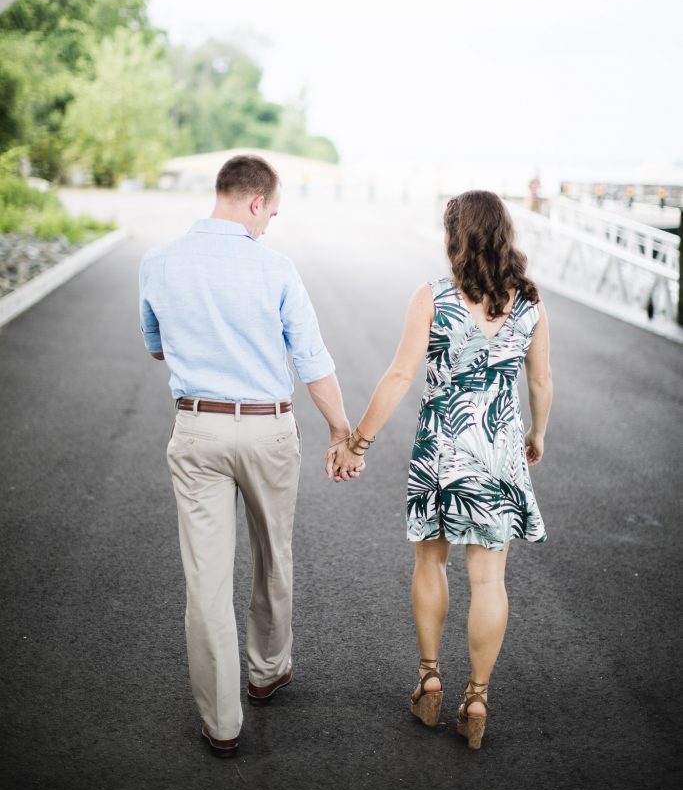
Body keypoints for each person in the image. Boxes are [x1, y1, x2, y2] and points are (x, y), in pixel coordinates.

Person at [139, 155, 359, 758]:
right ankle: (265, 672)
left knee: (205, 581)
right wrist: (343, 432)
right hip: (267, 431)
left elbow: (157, 346)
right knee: (273, 554)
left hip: (197, 430)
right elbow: (313, 365)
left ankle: (221, 723)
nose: (268, 227)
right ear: (256, 202)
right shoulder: (276, 269)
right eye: (272, 214)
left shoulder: (157, 263)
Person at [326, 190, 552, 750]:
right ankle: (476, 696)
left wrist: (359, 441)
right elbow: (541, 381)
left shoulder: (433, 296)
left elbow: (402, 375)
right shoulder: (530, 304)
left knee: (431, 561)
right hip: (499, 450)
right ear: (505, 234)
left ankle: (430, 676)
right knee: (489, 580)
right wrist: (537, 433)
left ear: (454, 235)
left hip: (442, 447)